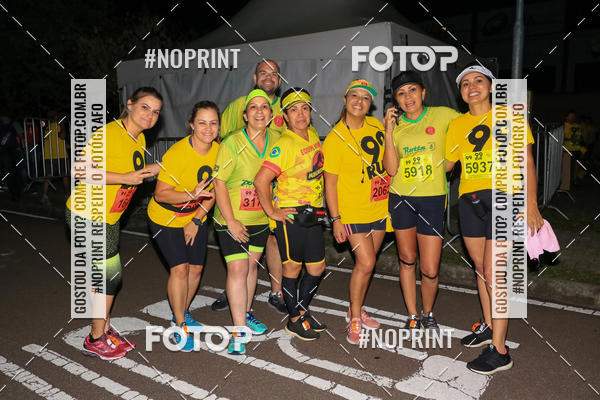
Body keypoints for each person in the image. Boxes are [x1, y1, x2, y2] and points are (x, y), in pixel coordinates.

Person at [445, 65, 543, 374]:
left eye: (478, 80)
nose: (471, 86)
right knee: (480, 268)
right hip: (469, 200)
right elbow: (447, 165)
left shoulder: (510, 116)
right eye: (465, 83)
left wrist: (531, 203)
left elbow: (527, 161)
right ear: (461, 93)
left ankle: (500, 351)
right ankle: (489, 326)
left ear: (490, 87)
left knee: (494, 272)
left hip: (505, 198)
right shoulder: (457, 124)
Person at [66, 87, 163, 360]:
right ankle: (95, 339)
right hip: (88, 214)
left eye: (156, 112)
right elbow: (80, 170)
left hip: (108, 217)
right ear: (129, 104)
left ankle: (104, 329)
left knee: (102, 278)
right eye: (145, 107)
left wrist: (155, 169)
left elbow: (132, 174)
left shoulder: (139, 138)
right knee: (110, 276)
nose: (150, 115)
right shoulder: (109, 133)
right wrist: (124, 177)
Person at [382, 71, 460, 330]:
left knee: (430, 268)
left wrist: (451, 160)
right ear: (396, 100)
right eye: (401, 93)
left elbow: (469, 128)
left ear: (423, 92)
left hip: (433, 199)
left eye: (412, 90)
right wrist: (388, 131)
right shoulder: (395, 126)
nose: (408, 97)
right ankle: (413, 315)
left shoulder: (443, 115)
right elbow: (391, 169)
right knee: (407, 259)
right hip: (401, 198)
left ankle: (429, 312)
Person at [212, 59, 287, 314]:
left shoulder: (280, 121)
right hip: (233, 205)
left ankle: (265, 297)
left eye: (274, 73)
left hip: (263, 211)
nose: (268, 77)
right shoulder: (236, 113)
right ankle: (237, 313)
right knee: (238, 267)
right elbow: (219, 140)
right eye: (263, 73)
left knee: (253, 264)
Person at [255, 88, 327, 341]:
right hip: (291, 215)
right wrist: (272, 211)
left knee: (317, 267)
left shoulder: (313, 134)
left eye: (305, 108)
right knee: (293, 268)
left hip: (313, 213)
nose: (300, 114)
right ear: (285, 116)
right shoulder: (284, 144)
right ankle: (295, 320)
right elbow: (261, 180)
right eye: (293, 110)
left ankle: (302, 310)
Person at [147, 101, 219, 351]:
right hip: (164, 217)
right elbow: (161, 194)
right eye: (202, 122)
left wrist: (196, 219)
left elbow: (214, 192)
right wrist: (190, 195)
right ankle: (179, 325)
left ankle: (183, 311)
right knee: (180, 269)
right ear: (191, 125)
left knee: (196, 269)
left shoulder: (220, 151)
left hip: (194, 215)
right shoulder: (177, 153)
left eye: (213, 123)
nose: (208, 128)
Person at [213, 89, 280, 354]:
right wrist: (230, 220)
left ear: (271, 114)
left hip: (261, 219)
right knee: (238, 270)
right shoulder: (232, 142)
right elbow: (218, 183)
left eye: (264, 107)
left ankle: (247, 312)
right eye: (253, 107)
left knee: (252, 268)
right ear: (245, 115)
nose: (259, 111)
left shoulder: (277, 140)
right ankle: (238, 330)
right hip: (232, 219)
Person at [322, 79, 388, 345]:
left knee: (367, 265)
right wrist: (336, 219)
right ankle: (355, 318)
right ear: (345, 99)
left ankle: (355, 307)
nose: (359, 101)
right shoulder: (335, 138)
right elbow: (330, 183)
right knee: (367, 262)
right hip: (351, 212)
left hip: (379, 206)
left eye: (365, 97)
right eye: (354, 96)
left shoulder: (376, 125)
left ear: (370, 104)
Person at [41, 110, 69, 206]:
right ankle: (67, 195)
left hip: (50, 155)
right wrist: (63, 125)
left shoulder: (47, 127)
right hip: (59, 155)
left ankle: (44, 196)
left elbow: (58, 140)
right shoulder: (57, 126)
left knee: (48, 176)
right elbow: (62, 136)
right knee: (64, 175)